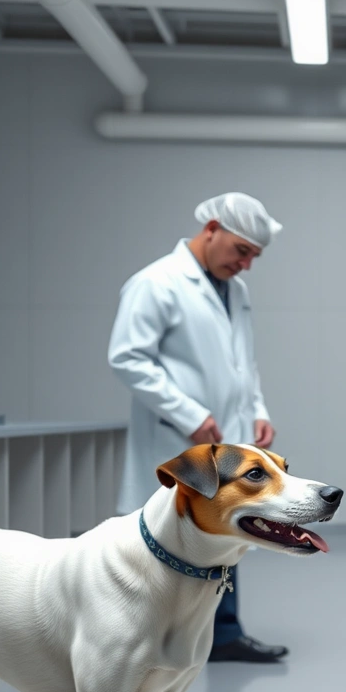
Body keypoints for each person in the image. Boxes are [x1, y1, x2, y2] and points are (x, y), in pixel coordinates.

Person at [108, 192, 289, 663]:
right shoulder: (156, 283)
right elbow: (128, 358)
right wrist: (190, 416)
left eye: (254, 256)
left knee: (225, 527)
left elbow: (242, 365)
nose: (246, 264)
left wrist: (258, 411)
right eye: (241, 251)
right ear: (211, 230)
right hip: (177, 437)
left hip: (227, 437)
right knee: (164, 536)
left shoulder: (236, 291)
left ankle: (222, 634)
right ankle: (141, 637)